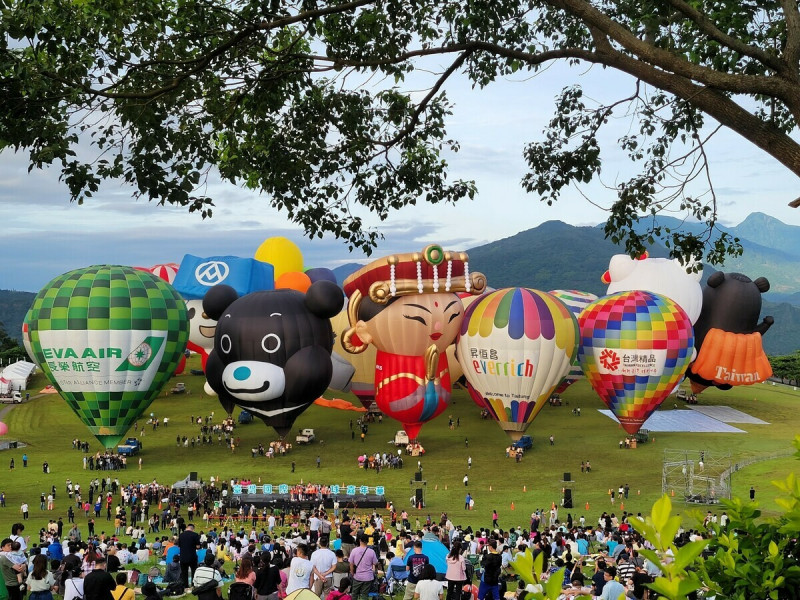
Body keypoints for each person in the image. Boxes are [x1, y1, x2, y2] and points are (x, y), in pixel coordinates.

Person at [348, 534, 378, 600]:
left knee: (354, 594)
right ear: (367, 541)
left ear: (359, 540)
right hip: (368, 577)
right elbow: (375, 563)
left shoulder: (354, 551)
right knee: (365, 595)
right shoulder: (371, 552)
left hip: (357, 576)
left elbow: (351, 563)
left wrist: (352, 572)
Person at [178, 522, 201, 589]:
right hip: (192, 556)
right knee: (194, 571)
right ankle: (194, 585)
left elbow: (179, 545)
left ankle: (185, 586)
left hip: (183, 556)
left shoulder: (181, 535)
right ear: (193, 529)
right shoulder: (195, 535)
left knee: (184, 573)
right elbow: (198, 546)